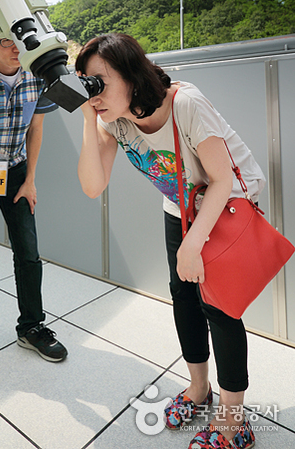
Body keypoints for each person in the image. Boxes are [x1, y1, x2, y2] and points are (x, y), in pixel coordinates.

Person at [76, 33, 265, 449]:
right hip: (181, 205)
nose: (95, 93)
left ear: (130, 73)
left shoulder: (185, 103)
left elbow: (221, 180)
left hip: (227, 200)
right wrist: (88, 117)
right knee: (183, 296)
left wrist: (193, 244)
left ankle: (236, 422)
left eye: (100, 82)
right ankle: (199, 390)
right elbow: (92, 185)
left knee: (220, 307)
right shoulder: (111, 118)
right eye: (86, 84)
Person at [0, 3, 68, 403]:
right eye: (4, 41)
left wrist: (32, 179)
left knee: (28, 251)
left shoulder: (36, 70)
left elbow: (36, 125)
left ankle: (32, 327)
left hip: (16, 170)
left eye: (16, 39)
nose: (14, 49)